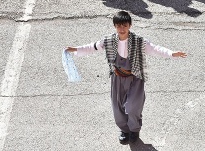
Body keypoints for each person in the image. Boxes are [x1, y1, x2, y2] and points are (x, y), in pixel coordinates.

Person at [65, 10, 187, 145]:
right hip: (117, 78)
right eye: (118, 26)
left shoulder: (139, 41)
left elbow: (156, 49)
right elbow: (92, 47)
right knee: (117, 107)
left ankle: (134, 130)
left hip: (135, 78)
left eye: (124, 25)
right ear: (115, 27)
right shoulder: (109, 40)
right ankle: (124, 130)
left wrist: (171, 53)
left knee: (133, 107)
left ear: (130, 25)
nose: (121, 29)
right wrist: (75, 49)